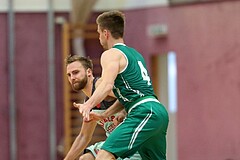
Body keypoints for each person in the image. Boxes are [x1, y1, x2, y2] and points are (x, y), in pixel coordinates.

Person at [74, 10, 169, 160]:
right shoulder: (135, 54)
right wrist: (104, 114)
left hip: (143, 112)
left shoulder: (111, 54)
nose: (99, 37)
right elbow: (129, 95)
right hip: (157, 111)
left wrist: (87, 105)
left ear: (106, 33)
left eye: (99, 33)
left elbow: (106, 85)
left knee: (104, 156)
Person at [64, 55, 141, 160]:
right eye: (69, 75)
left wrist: (122, 112)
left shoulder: (101, 85)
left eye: (76, 72)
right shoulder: (88, 102)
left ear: (89, 72)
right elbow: (84, 137)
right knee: (85, 158)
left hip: (132, 141)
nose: (72, 77)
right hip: (113, 142)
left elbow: (129, 96)